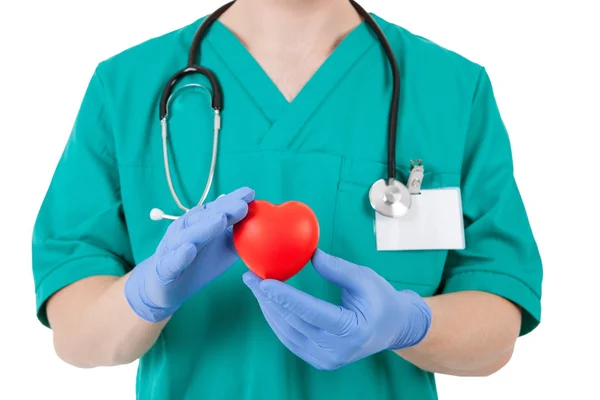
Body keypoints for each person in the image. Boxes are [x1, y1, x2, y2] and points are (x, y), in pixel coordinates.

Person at [31, 0, 543, 399]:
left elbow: (498, 322)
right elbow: (74, 334)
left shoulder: (451, 89)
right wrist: (143, 296)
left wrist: (409, 325)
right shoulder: (127, 86)